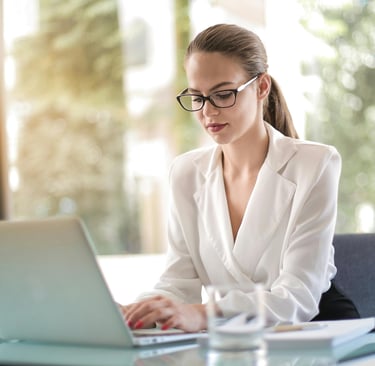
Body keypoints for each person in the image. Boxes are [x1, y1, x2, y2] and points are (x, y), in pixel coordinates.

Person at [121, 23, 359, 332]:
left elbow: (297, 297)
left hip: (315, 330)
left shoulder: (315, 163)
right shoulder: (186, 173)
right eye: (197, 97)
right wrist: (134, 312)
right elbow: (178, 282)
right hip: (234, 336)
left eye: (223, 94)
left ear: (261, 87)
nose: (208, 111)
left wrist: (204, 315)